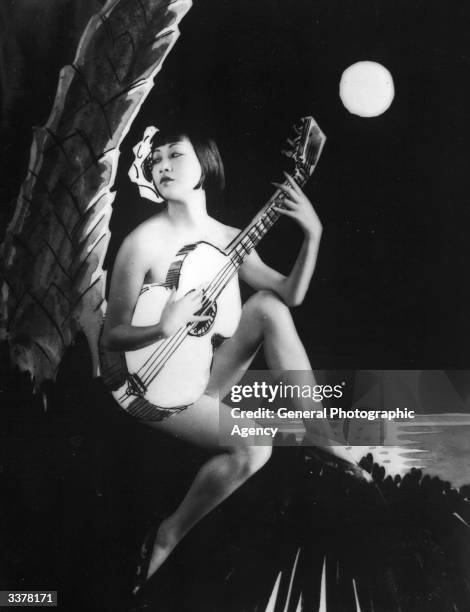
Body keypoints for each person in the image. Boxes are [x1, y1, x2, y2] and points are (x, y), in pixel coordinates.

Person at [102, 123, 368, 591]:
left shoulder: (230, 236)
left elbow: (290, 293)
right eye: (155, 159)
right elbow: (111, 339)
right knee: (256, 444)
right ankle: (168, 535)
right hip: (141, 384)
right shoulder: (142, 242)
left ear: (204, 164)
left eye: (174, 155)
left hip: (195, 371)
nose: (161, 165)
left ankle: (321, 432)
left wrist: (313, 234)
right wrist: (162, 326)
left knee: (268, 307)